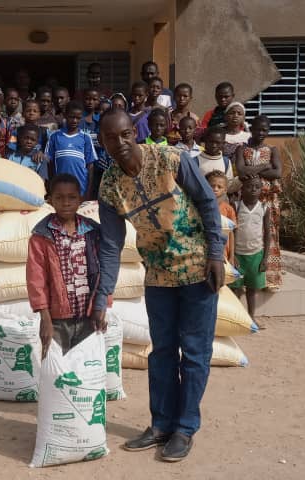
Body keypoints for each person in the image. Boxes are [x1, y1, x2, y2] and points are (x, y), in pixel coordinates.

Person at [95, 109, 225, 462]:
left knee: (195, 353)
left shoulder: (171, 158)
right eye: (111, 138)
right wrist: (104, 293)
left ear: (134, 132)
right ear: (102, 141)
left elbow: (207, 201)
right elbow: (110, 245)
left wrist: (216, 253)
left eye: (125, 134)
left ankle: (185, 428)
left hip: (198, 269)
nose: (120, 143)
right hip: (158, 275)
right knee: (162, 352)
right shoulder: (109, 185)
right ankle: (161, 424)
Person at [26, 174, 105, 360]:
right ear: (50, 200)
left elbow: (103, 270)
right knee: (57, 370)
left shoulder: (92, 232)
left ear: (80, 199)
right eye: (59, 198)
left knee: (85, 368)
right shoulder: (42, 236)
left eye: (72, 197)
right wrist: (45, 319)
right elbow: (36, 279)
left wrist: (101, 306)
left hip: (88, 316)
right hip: (57, 320)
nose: (66, 203)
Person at [236, 115, 283, 291]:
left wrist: (253, 171)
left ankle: (268, 278)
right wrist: (264, 167)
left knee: (268, 233)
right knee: (247, 233)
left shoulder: (272, 150)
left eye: (265, 130)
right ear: (251, 129)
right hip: (247, 200)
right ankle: (246, 276)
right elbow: (241, 170)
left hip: (267, 200)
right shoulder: (242, 149)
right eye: (257, 129)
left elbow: (277, 173)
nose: (261, 133)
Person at [230, 176, 270, 324]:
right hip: (238, 255)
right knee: (236, 289)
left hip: (256, 254)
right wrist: (232, 255)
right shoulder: (236, 206)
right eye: (249, 186)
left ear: (261, 190)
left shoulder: (264, 208)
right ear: (242, 189)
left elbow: (267, 234)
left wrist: (265, 258)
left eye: (257, 187)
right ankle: (235, 319)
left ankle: (251, 317)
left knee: (252, 289)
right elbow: (231, 231)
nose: (253, 190)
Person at [45, 102, 97, 198]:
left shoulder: (86, 137)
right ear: (65, 115)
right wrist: (51, 187)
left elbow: (90, 166)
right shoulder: (54, 136)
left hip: (81, 188)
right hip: (60, 187)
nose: (74, 120)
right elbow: (49, 164)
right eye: (71, 117)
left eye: (78, 118)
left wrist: (88, 191)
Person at [207, 171, 236, 264]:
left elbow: (231, 233)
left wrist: (232, 256)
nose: (215, 189)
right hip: (204, 253)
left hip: (224, 255)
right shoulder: (202, 207)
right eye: (212, 186)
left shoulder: (229, 210)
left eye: (219, 187)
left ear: (225, 190)